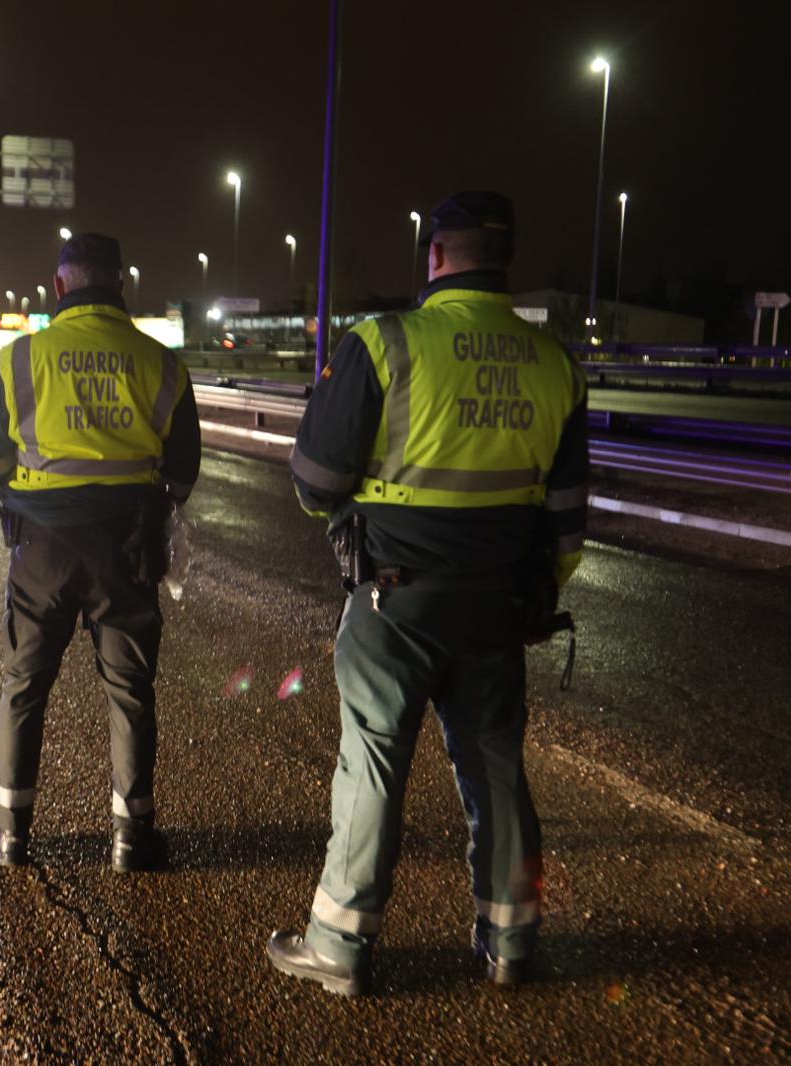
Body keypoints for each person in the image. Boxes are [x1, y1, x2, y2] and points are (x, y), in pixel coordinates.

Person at [265, 191, 589, 996]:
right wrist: (536, 593)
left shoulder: (384, 344)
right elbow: (567, 518)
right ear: (505, 260)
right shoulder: (555, 363)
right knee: (496, 765)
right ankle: (511, 942)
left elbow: (313, 482)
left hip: (394, 601)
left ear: (436, 256)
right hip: (498, 604)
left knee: (374, 763)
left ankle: (340, 946)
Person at [0, 232, 201, 873]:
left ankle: (12, 833)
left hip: (41, 546)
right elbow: (182, 474)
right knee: (130, 689)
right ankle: (132, 838)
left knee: (24, 685)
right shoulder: (162, 365)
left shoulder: (19, 359)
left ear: (60, 285)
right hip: (128, 549)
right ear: (120, 283)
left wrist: (25, 492)